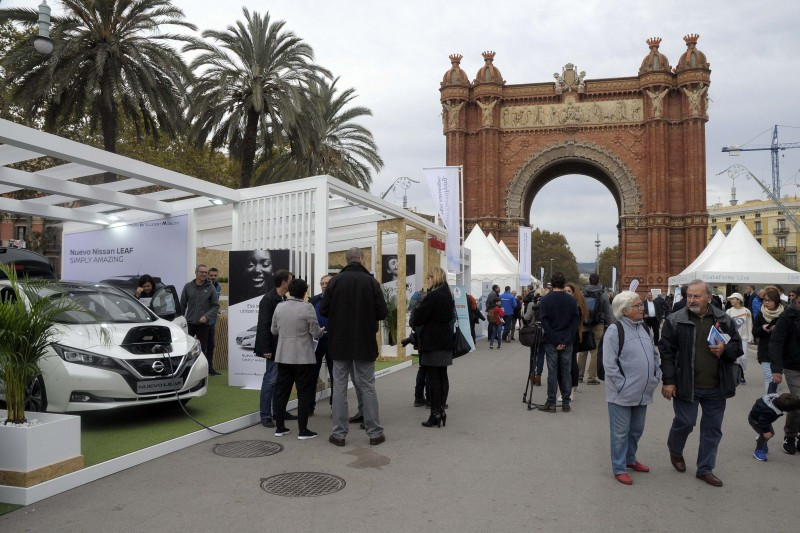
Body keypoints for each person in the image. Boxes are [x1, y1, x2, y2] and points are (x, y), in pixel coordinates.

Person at [659, 279, 743, 487]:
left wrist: (725, 350)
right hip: (686, 384)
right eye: (689, 296)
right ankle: (675, 450)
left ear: (709, 297)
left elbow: (737, 347)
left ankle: (705, 469)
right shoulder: (675, 320)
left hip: (716, 385)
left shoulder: (723, 319)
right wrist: (668, 381)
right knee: (685, 422)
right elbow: (666, 353)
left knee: (712, 429)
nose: (692, 300)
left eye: (697, 296)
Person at [321, 247, 388, 447]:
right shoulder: (371, 282)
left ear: (346, 260)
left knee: (339, 387)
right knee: (367, 386)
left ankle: (339, 435)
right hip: (364, 342)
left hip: (339, 342)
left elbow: (324, 309)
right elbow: (383, 313)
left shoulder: (335, 282)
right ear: (361, 259)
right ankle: (375, 433)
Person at [603, 290, 661, 485]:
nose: (642, 307)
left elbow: (654, 354)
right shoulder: (615, 330)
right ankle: (619, 467)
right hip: (622, 393)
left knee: (636, 429)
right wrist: (622, 385)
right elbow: (609, 364)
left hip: (643, 391)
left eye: (641, 304)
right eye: (638, 305)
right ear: (625, 310)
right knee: (620, 433)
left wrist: (655, 375)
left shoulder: (645, 328)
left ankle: (630, 459)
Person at [271, 278, 324, 440]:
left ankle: (280, 427)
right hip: (303, 357)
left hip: (283, 355)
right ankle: (303, 430)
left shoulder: (280, 307)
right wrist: (321, 332)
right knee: (303, 393)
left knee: (282, 392)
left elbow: (273, 330)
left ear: (289, 291)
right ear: (304, 292)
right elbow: (315, 332)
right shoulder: (307, 307)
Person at [412, 267, 455, 428]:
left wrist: (419, 309)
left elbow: (417, 319)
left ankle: (435, 413)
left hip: (433, 342)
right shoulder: (447, 295)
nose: (427, 281)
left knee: (434, 378)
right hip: (445, 340)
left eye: (429, 278)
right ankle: (440, 410)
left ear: (435, 277)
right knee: (442, 375)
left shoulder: (433, 296)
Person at [254, 269, 296, 428]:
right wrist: (266, 349)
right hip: (272, 348)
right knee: (270, 380)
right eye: (290, 280)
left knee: (280, 381)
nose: (291, 282)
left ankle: (278, 412)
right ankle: (265, 415)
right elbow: (263, 325)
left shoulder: (283, 298)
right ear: (284, 282)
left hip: (282, 347)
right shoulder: (268, 299)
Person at [538, 272, 580, 413]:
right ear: (564, 283)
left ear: (552, 283)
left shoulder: (546, 299)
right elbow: (575, 321)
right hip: (567, 340)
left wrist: (555, 340)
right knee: (566, 372)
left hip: (551, 341)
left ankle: (551, 402)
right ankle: (566, 402)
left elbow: (544, 321)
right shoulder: (571, 300)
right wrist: (567, 339)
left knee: (552, 372)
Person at [767, 285, 800, 455]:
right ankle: (790, 435)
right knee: (798, 400)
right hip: (793, 365)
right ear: (795, 299)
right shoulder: (788, 316)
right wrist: (777, 369)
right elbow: (776, 342)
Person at [180, 265, 221, 376]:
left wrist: (206, 316)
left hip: (204, 324)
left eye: (205, 272)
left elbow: (215, 306)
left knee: (203, 349)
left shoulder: (211, 287)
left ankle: (201, 372)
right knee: (185, 348)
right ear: (196, 273)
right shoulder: (188, 287)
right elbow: (182, 305)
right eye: (201, 272)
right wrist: (180, 319)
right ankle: (184, 370)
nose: (203, 274)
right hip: (189, 323)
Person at [578, 273, 615, 385]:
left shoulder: (582, 293)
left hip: (584, 324)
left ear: (589, 281)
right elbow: (608, 312)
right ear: (598, 281)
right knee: (595, 351)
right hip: (598, 324)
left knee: (582, 350)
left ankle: (579, 376)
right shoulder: (603, 294)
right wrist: (611, 325)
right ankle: (591, 378)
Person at [749, 382, 800, 461]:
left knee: (771, 433)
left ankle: (762, 442)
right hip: (756, 420)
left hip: (762, 419)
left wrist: (774, 382)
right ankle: (758, 451)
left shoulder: (775, 397)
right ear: (787, 410)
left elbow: (771, 388)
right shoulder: (770, 412)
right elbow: (762, 421)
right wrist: (765, 432)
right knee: (765, 435)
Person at [309, 274, 333, 414]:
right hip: (315, 342)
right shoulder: (313, 300)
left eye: (327, 283)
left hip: (333, 342)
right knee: (312, 375)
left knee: (335, 376)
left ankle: (335, 407)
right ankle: (309, 407)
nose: (324, 285)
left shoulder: (339, 301)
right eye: (322, 283)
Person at [752, 286, 784, 394]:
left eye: (769, 300)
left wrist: (778, 329)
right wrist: (762, 328)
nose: (766, 303)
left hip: (781, 352)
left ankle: (775, 401)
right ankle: (770, 404)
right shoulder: (761, 313)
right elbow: (754, 331)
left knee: (777, 379)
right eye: (764, 300)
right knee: (769, 377)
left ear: (776, 300)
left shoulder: (784, 314)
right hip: (765, 351)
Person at [563, 282, 587, 396]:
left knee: (570, 362)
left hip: (573, 335)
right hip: (575, 334)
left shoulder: (576, 306)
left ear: (574, 293)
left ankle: (571, 388)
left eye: (569, 291)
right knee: (572, 361)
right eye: (565, 291)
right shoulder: (576, 304)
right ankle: (574, 385)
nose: (567, 293)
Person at [726, 292, 752, 385]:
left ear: (739, 300)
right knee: (736, 358)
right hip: (733, 338)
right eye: (731, 299)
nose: (731, 301)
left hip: (744, 337)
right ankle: (737, 375)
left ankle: (742, 373)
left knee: (743, 357)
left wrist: (750, 336)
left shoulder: (746, 311)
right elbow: (726, 325)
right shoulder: (729, 311)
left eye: (733, 299)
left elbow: (749, 324)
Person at [206, 267, 222, 375]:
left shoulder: (218, 286)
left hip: (212, 321)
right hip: (202, 320)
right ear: (208, 275)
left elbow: (215, 303)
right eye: (211, 275)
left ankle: (210, 368)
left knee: (211, 345)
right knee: (203, 346)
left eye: (215, 275)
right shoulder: (204, 286)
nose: (213, 277)